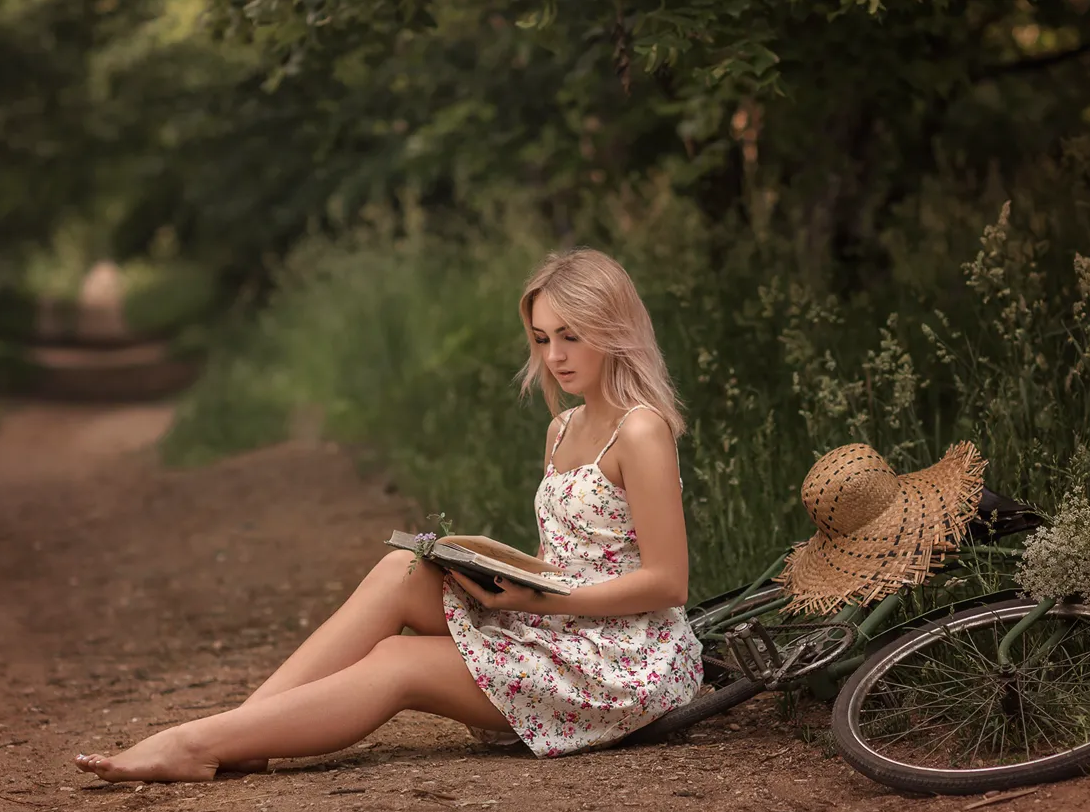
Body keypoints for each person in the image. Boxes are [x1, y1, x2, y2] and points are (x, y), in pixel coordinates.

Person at [73, 248, 703, 782]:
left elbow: (668, 582)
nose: (555, 356)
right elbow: (570, 560)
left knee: (395, 663)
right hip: (561, 625)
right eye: (542, 339)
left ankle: (198, 744)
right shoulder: (561, 427)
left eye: (572, 336)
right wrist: (494, 575)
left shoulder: (641, 431)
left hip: (626, 657)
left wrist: (535, 603)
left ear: (613, 331)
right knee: (406, 568)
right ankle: (239, 735)